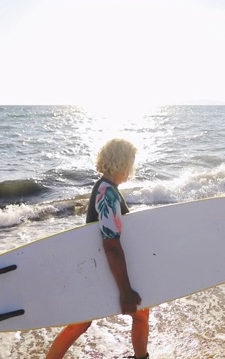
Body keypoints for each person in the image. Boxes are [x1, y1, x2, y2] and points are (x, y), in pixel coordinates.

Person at [47, 139, 149, 359]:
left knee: (139, 313)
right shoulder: (108, 193)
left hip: (100, 265)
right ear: (123, 163)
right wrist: (125, 290)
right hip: (102, 267)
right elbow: (111, 244)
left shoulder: (105, 188)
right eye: (131, 162)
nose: (132, 168)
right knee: (81, 322)